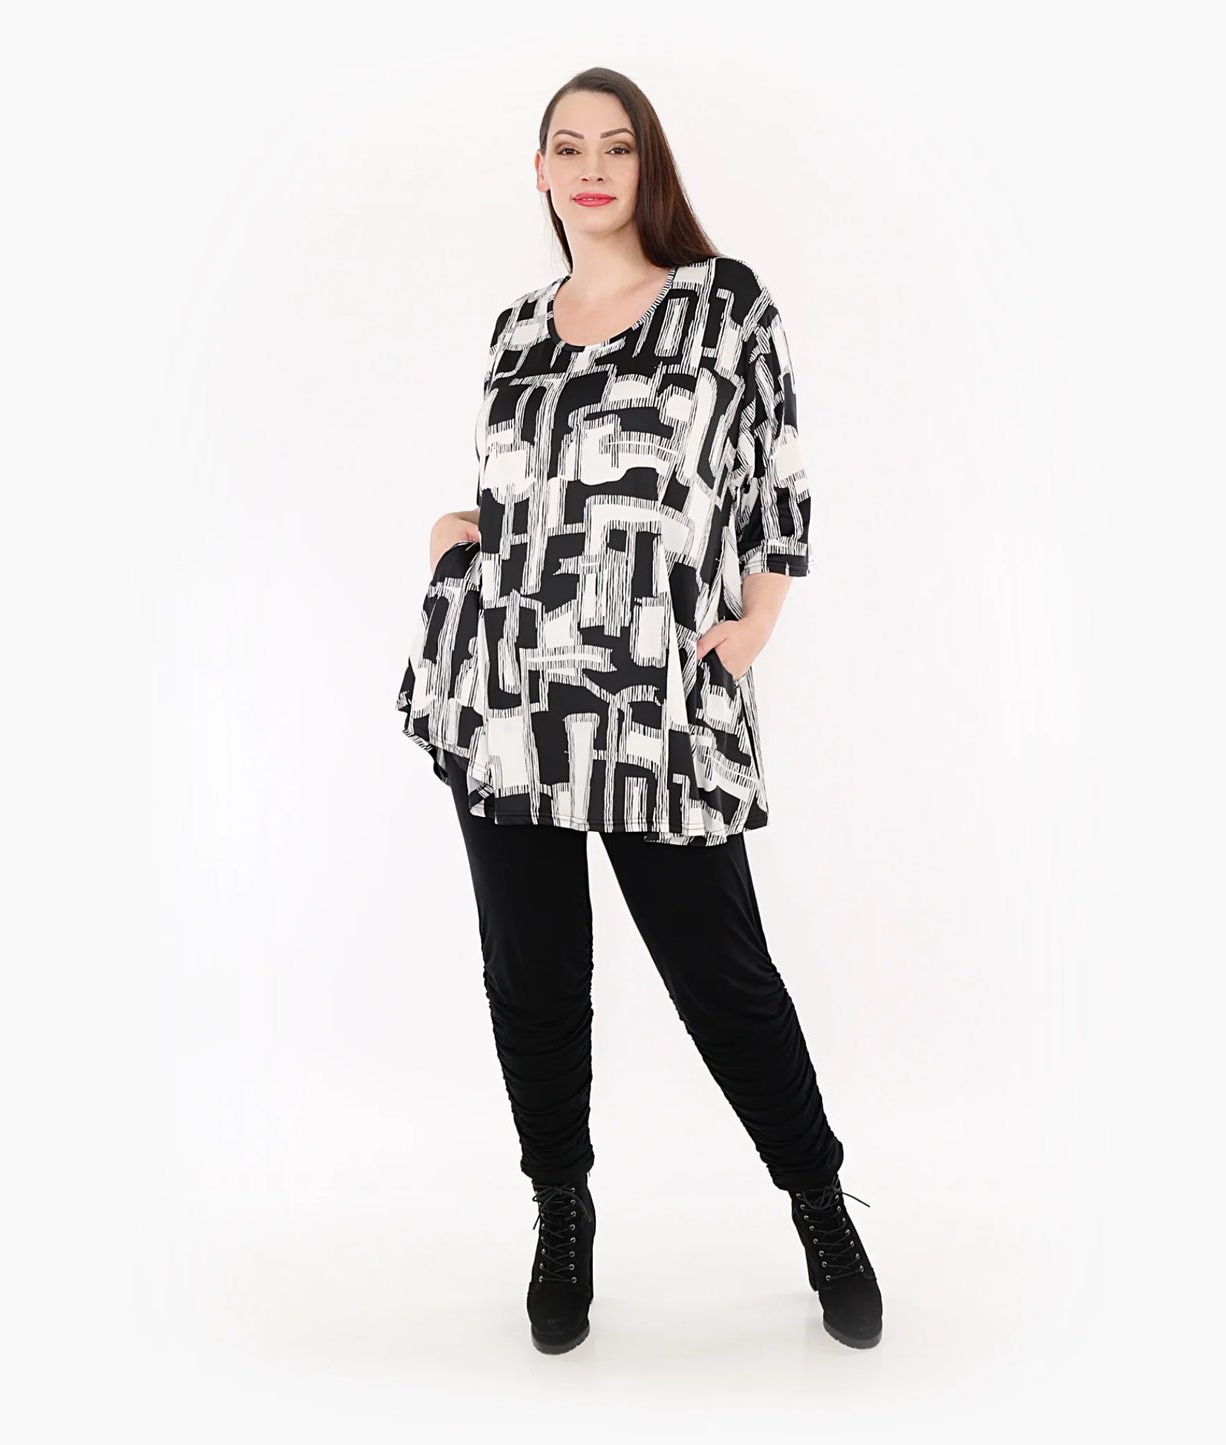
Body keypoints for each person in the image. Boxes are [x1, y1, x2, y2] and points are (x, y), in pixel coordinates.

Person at [395, 67, 882, 1354]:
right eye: (568, 148)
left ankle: (818, 1201)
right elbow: (510, 502)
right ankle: (561, 1213)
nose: (592, 168)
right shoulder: (515, 328)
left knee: (723, 977)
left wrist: (757, 620)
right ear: (540, 173)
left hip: (655, 710)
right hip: (506, 695)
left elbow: (775, 477)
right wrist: (452, 542)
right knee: (532, 973)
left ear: (645, 163)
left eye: (616, 146)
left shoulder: (723, 306)